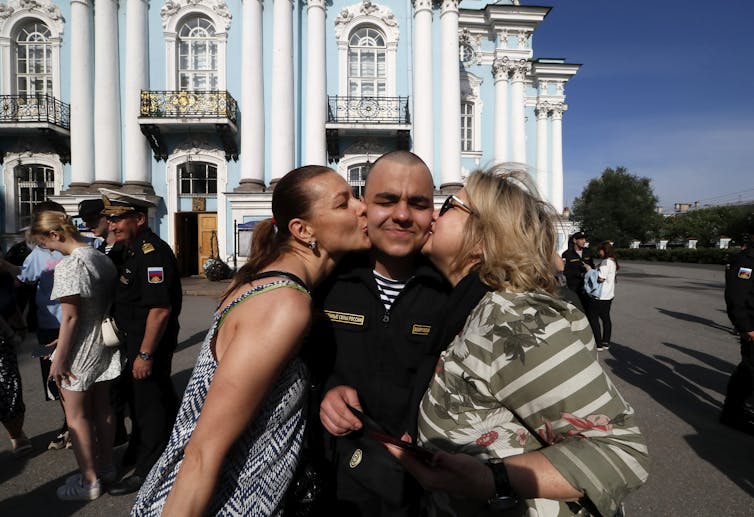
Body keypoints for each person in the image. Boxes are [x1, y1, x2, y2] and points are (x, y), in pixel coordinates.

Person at [386, 165, 649, 517]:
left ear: (485, 235)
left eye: (449, 206)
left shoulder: (514, 319)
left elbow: (620, 452)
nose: (433, 214)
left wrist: (493, 479)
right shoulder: (468, 306)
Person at [131, 165, 370, 516]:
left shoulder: (262, 279)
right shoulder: (283, 304)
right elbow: (202, 452)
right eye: (343, 203)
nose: (361, 206)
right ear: (303, 230)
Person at [310, 150, 451, 516]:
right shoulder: (326, 281)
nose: (402, 215)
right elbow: (292, 371)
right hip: (336, 486)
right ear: (364, 208)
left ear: (432, 213)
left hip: (420, 491)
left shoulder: (452, 294)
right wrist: (324, 391)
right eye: (386, 200)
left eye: (417, 203)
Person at [28, 210, 121, 500]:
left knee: (76, 417)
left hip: (80, 349)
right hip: (105, 343)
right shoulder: (100, 257)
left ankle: (89, 481)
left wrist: (59, 357)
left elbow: (70, 318)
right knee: (104, 408)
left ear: (55, 234)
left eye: (46, 243)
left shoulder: (70, 265)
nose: (47, 249)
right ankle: (106, 467)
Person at [102, 193, 184, 496]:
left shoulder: (152, 254)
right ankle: (142, 450)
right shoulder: (131, 249)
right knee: (141, 401)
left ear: (139, 219)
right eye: (110, 219)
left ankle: (149, 469)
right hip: (134, 340)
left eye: (118, 219)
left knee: (149, 405)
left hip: (148, 343)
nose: (112, 225)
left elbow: (160, 309)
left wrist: (145, 354)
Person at [0, 200, 71, 451]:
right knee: (52, 378)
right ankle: (69, 424)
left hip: (73, 327)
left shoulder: (81, 247)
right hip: (46, 327)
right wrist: (5, 265)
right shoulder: (38, 254)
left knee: (75, 376)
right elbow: (22, 278)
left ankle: (73, 424)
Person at [78, 198, 130, 446]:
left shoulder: (127, 250)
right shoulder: (97, 252)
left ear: (107, 219)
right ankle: (113, 438)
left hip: (123, 328)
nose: (87, 225)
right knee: (108, 389)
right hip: (102, 329)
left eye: (91, 220)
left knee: (123, 389)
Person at [721, 214, 754, 436]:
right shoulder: (746, 261)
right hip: (753, 326)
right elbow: (736, 297)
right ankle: (732, 413)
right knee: (749, 369)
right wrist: (746, 327)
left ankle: (738, 408)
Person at [0, 268, 31, 456]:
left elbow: (10, 305)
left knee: (10, 390)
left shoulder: (4, 276)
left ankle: (16, 432)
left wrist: (20, 326)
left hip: (2, 344)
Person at [587, 241, 619, 352]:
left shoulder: (606, 262)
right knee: (606, 318)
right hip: (609, 295)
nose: (598, 252)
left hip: (599, 296)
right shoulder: (613, 261)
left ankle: (598, 343)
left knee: (593, 318)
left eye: (599, 250)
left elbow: (601, 278)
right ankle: (606, 342)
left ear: (604, 250)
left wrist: (590, 271)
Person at [561, 231, 595, 312]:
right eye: (581, 239)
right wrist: (580, 274)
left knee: (589, 311)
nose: (584, 241)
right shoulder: (567, 254)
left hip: (587, 287)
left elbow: (592, 267)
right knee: (576, 310)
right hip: (574, 287)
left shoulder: (588, 252)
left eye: (585, 239)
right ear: (574, 241)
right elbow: (566, 272)